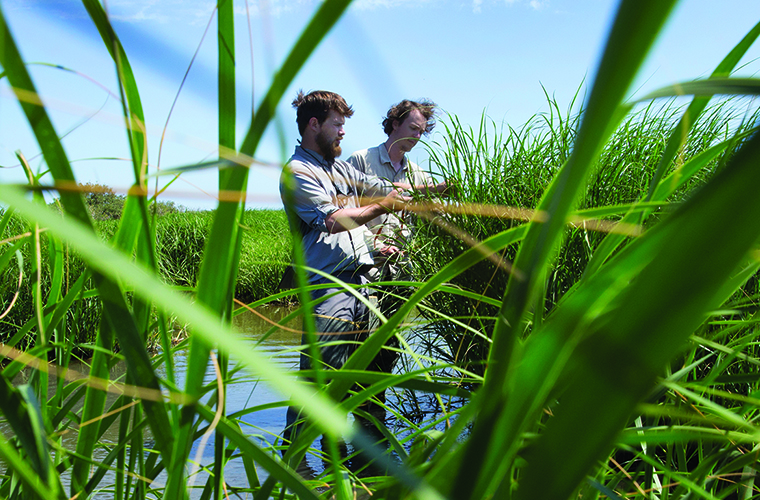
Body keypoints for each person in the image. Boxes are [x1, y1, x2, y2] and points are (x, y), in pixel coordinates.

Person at [280, 90, 423, 445]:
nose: (343, 131)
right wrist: (381, 208)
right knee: (319, 377)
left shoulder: (341, 168)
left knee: (359, 378)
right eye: (337, 124)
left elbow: (383, 189)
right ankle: (295, 458)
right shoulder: (297, 171)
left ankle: (349, 458)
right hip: (328, 285)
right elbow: (333, 221)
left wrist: (423, 193)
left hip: (364, 283)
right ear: (314, 124)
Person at [347, 99, 447, 377]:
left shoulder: (417, 174)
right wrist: (376, 245)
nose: (417, 137)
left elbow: (425, 220)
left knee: (392, 341)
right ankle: (357, 397)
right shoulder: (361, 160)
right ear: (394, 124)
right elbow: (346, 213)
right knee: (362, 336)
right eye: (413, 128)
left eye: (421, 132)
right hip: (365, 267)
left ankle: (377, 397)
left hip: (402, 271)